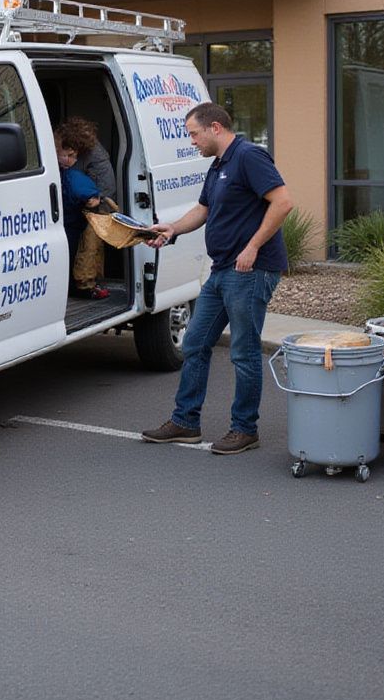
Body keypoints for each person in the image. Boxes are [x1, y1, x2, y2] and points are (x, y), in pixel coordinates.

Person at [141, 102, 293, 455]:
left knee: (243, 351)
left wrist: (253, 246)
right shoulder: (219, 165)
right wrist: (172, 229)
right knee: (194, 342)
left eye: (194, 134)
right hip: (222, 269)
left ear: (215, 128)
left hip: (250, 271)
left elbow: (283, 202)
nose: (192, 141)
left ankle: (245, 429)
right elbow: (204, 209)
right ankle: (185, 422)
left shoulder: (249, 157)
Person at [54, 124, 110, 300]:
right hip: (71, 219)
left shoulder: (75, 174)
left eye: (73, 155)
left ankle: (85, 284)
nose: (72, 160)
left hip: (87, 214)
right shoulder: (69, 171)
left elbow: (102, 190)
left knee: (86, 249)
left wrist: (95, 198)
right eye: (67, 156)